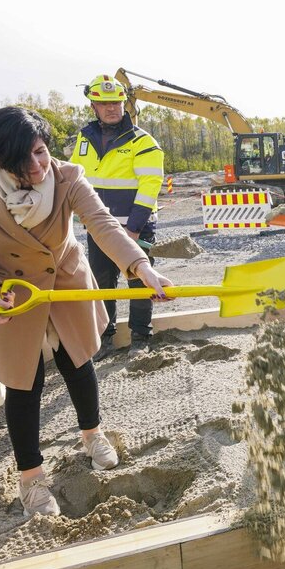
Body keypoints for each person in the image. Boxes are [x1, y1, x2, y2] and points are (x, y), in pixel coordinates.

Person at [0, 106, 173, 517]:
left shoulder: (68, 176)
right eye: (23, 162)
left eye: (41, 152)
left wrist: (140, 266)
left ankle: (92, 434)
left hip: (64, 282)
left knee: (79, 362)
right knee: (24, 383)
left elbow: (102, 224)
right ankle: (31, 478)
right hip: (13, 293)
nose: (38, 167)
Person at [70, 74, 165, 359]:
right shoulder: (84, 140)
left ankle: (140, 337)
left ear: (125, 104)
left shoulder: (142, 141)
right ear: (93, 106)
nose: (112, 108)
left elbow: (150, 187)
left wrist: (134, 229)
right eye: (105, 103)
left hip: (135, 227)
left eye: (117, 102)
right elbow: (75, 180)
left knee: (139, 282)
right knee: (101, 282)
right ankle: (105, 337)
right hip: (98, 227)